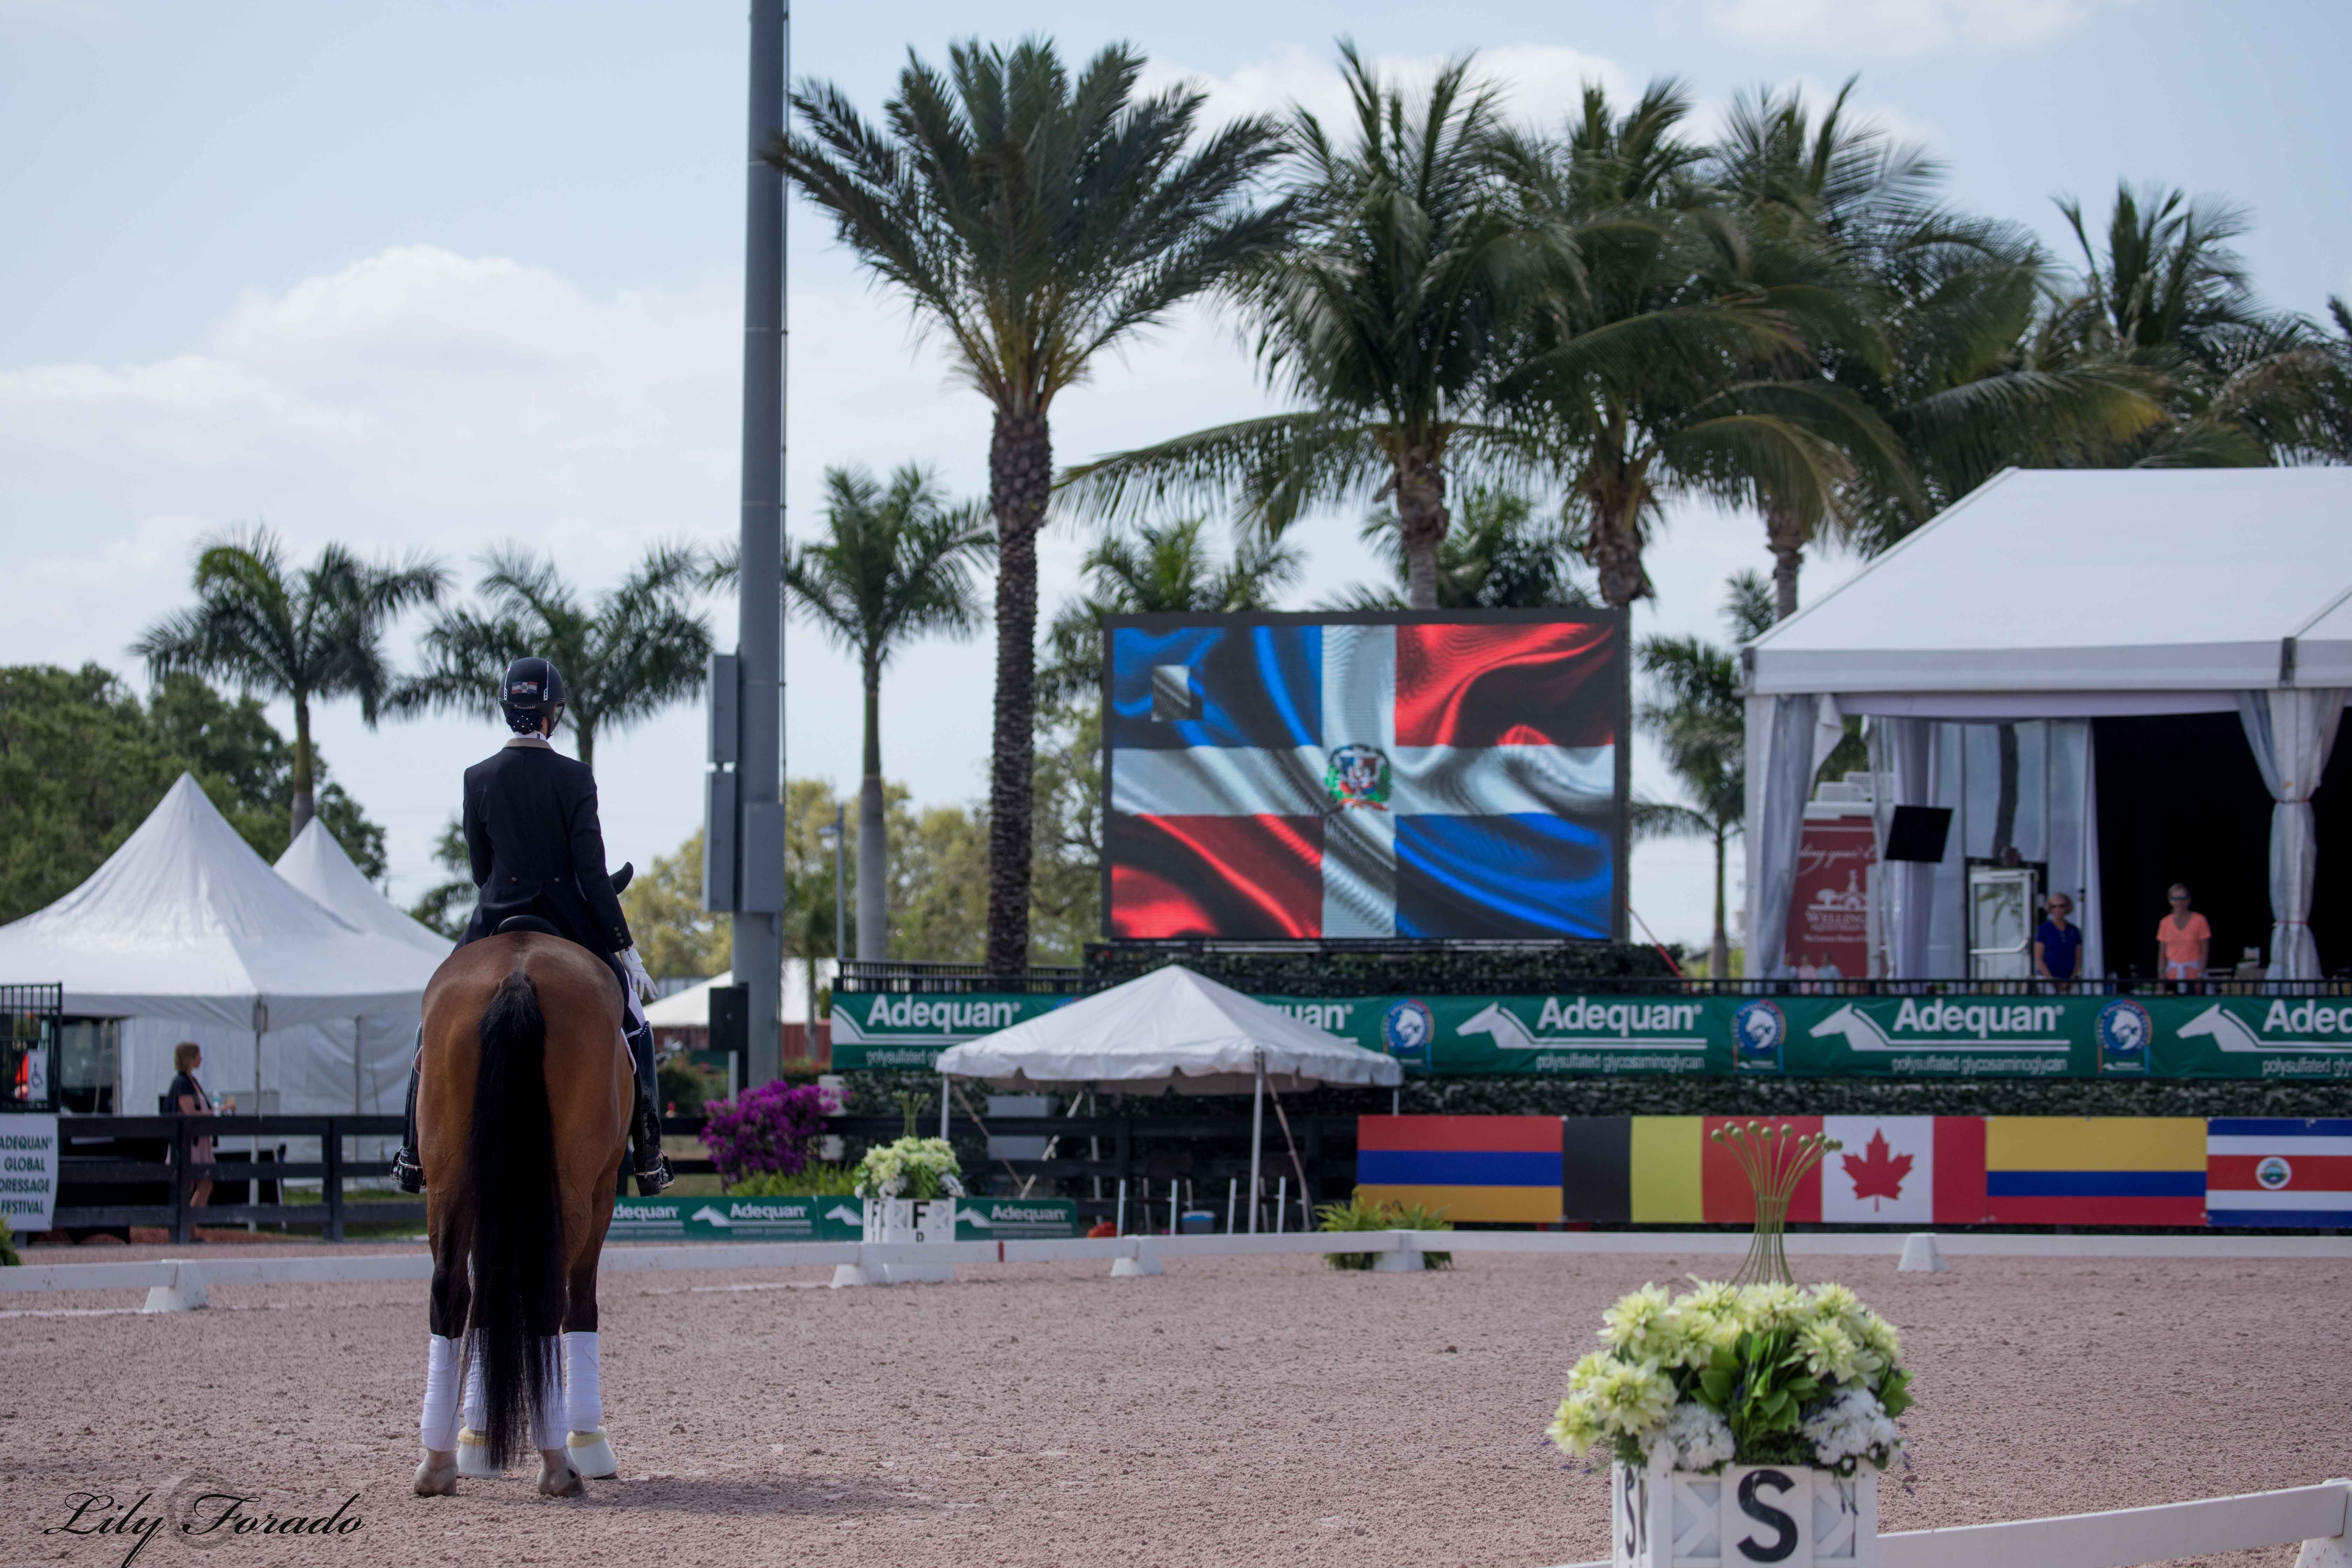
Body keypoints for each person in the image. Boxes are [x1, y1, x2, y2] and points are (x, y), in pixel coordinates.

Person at [390, 656, 671, 1195]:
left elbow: (480, 870)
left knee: (431, 1023)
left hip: (495, 919)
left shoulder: (478, 778)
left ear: (507, 709)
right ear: (553, 714)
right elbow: (591, 872)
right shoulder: (574, 777)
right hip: (568, 922)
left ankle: (412, 1154)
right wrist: (625, 948)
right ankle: (649, 1154)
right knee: (636, 1026)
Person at [164, 1041, 218, 1210]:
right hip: (189, 1143)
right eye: (197, 1055)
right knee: (190, 1185)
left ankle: (190, 1228)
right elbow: (190, 1113)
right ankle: (187, 1229)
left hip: (199, 1142)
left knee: (204, 1184)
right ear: (190, 1058)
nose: (201, 1058)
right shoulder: (182, 1083)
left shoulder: (191, 1080)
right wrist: (218, 1111)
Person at [2155, 883, 2211, 985]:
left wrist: (2200, 974)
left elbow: (2205, 951)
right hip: (2172, 975)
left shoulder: (2200, 920)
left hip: (2194, 974)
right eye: (2175, 898)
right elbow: (2162, 953)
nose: (2179, 902)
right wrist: (2161, 977)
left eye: (2183, 898)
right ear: (2170, 900)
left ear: (2189, 900)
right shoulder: (2165, 923)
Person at [2035, 893, 2084, 984]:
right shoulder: (2044, 929)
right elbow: (2039, 958)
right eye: (2054, 907)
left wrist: (2072, 978)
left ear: (2067, 908)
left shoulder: (2074, 931)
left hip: (2070, 979)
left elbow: (2078, 958)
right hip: (2048, 979)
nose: (2058, 910)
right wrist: (2051, 980)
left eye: (2062, 906)